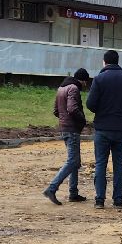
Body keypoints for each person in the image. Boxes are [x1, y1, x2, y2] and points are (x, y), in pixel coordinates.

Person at [85, 49, 122, 208]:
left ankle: (100, 200)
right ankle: (118, 200)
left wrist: (102, 110)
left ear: (104, 62)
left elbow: (90, 104)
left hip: (102, 128)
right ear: (117, 61)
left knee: (100, 163)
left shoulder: (99, 79)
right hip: (121, 128)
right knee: (119, 164)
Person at [43, 68, 91, 204]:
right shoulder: (74, 88)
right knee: (72, 161)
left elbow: (56, 111)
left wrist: (64, 120)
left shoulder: (61, 88)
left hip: (64, 128)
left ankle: (73, 193)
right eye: (86, 82)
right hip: (72, 129)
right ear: (82, 80)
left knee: (75, 162)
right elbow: (72, 108)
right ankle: (52, 189)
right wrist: (82, 120)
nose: (85, 86)